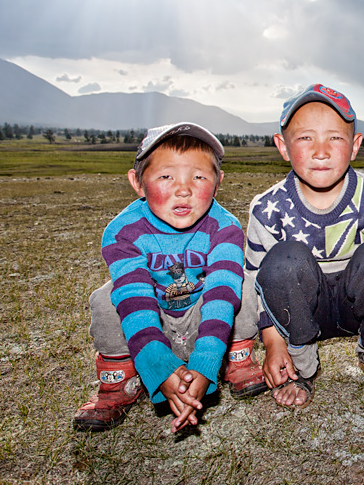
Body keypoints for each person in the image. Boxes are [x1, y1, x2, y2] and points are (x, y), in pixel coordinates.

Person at [73, 122, 267, 433]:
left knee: (239, 284)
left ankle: (237, 359)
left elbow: (220, 294)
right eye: (166, 176)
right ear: (137, 183)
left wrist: (205, 366)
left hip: (206, 328)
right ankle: (120, 381)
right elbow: (134, 299)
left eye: (199, 176)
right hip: (149, 327)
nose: (183, 188)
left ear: (218, 184)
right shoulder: (122, 231)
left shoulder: (225, 227)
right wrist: (159, 368)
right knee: (107, 298)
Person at [244, 84, 364, 407]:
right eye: (306, 138)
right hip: (301, 311)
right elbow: (255, 283)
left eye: (335, 138)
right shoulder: (266, 208)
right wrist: (272, 343)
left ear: (355, 146)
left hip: (356, 307)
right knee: (283, 262)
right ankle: (303, 366)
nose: (321, 151)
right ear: (282, 146)